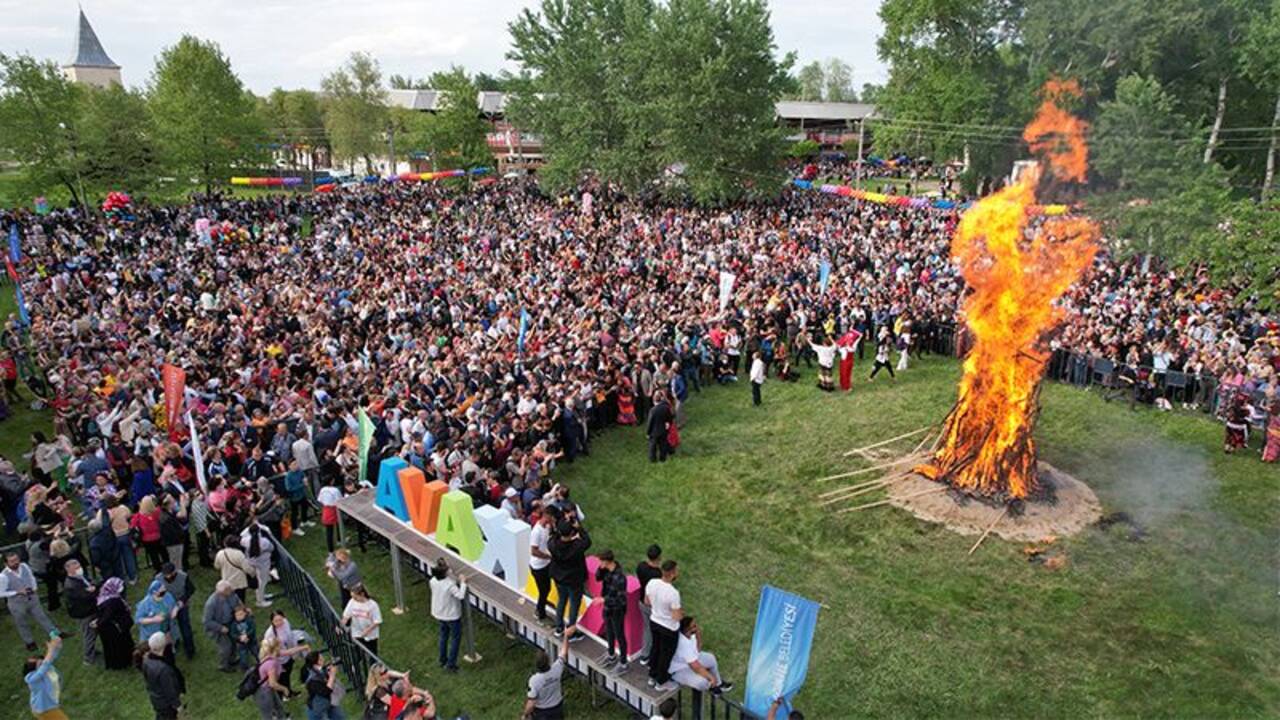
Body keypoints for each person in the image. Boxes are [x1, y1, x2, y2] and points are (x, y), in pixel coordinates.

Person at [2, 551, 62, 651]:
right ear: (6, 563)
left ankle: (55, 634)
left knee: (42, 616)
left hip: (32, 598)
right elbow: (1, 593)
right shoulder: (3, 576)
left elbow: (31, 577)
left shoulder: (24, 566)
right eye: (12, 561)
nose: (16, 562)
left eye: (17, 559)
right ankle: (30, 642)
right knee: (22, 623)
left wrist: (34, 588)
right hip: (17, 603)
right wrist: (17, 592)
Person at [549, 517, 591, 639]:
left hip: (559, 578)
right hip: (574, 580)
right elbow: (587, 541)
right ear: (572, 532)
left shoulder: (552, 544)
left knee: (561, 601)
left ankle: (559, 627)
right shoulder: (576, 546)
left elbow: (554, 537)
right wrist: (580, 528)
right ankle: (571, 631)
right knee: (574, 604)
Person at [668, 616, 733, 694]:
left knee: (710, 658)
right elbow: (696, 667)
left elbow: (697, 650)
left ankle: (718, 684)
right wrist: (710, 677)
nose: (697, 626)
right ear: (687, 630)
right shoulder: (683, 644)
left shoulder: (691, 634)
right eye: (694, 626)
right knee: (702, 682)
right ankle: (711, 687)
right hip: (679, 670)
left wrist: (698, 634)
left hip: (690, 661)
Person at [523, 625, 574, 720]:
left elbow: (531, 703)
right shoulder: (556, 669)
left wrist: (525, 715)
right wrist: (566, 636)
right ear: (548, 661)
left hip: (542, 713)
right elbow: (563, 653)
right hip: (557, 708)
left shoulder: (534, 680)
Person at [646, 560, 683, 691]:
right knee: (665, 654)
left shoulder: (652, 583)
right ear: (672, 573)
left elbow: (647, 601)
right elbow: (676, 616)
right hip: (668, 628)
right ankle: (661, 682)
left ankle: (652, 675)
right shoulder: (673, 593)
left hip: (654, 621)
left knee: (655, 648)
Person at [428, 558, 467, 673]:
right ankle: (451, 664)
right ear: (445, 573)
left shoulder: (433, 581)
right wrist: (463, 582)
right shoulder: (449, 585)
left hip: (439, 613)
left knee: (443, 636)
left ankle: (442, 659)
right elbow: (460, 595)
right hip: (451, 615)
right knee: (455, 639)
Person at [594, 549, 629, 670]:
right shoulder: (606, 570)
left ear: (607, 561)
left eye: (600, 562)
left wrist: (604, 600)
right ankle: (611, 654)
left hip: (617, 610)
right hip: (608, 608)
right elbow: (597, 578)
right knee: (609, 631)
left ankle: (623, 662)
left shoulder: (620, 578)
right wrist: (601, 568)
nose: (599, 564)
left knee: (619, 635)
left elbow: (621, 600)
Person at [62, 558, 99, 665]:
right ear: (68, 569)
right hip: (84, 613)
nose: (79, 568)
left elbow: (93, 583)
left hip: (90, 608)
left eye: (79, 565)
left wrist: (93, 588)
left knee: (92, 633)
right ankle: (88, 658)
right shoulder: (70, 585)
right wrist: (93, 591)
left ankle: (92, 652)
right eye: (76, 566)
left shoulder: (80, 577)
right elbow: (84, 596)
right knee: (89, 635)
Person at [141, 632, 185, 720]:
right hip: (166, 704)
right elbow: (169, 690)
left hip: (156, 698)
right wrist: (178, 705)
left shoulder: (146, 661)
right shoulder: (163, 669)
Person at [94, 577, 134, 669]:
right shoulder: (113, 600)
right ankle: (124, 663)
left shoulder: (103, 597)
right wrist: (98, 622)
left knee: (111, 648)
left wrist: (98, 622)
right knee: (120, 646)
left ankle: (115, 664)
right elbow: (108, 615)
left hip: (108, 629)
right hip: (115, 628)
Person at [24, 636, 66, 720]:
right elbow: (46, 664)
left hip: (48, 706)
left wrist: (57, 646)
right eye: (39, 663)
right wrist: (50, 650)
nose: (42, 663)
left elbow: (50, 659)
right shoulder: (32, 679)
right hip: (45, 709)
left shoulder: (45, 668)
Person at [202, 580, 240, 672]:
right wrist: (220, 628)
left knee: (234, 642)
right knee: (226, 646)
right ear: (222, 592)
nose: (231, 590)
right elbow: (207, 621)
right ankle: (223, 665)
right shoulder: (211, 603)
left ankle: (232, 659)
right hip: (218, 627)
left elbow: (237, 603)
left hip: (230, 622)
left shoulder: (231, 595)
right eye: (229, 589)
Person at [635, 544, 662, 666]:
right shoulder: (657, 574)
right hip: (653, 605)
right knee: (657, 631)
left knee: (647, 629)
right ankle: (653, 656)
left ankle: (645, 654)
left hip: (642, 601)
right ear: (659, 557)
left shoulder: (641, 567)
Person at [255, 636, 293, 720]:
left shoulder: (268, 657)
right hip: (264, 692)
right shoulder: (271, 664)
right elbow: (272, 684)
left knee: (278, 705)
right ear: (275, 648)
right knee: (268, 715)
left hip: (267, 689)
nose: (281, 647)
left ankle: (282, 717)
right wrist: (284, 689)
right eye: (279, 645)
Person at [241, 519, 276, 608]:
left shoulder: (245, 540)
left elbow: (242, 534)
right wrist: (259, 525)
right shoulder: (264, 541)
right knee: (262, 581)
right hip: (263, 563)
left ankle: (261, 595)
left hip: (251, 562)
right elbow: (271, 548)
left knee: (260, 581)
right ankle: (260, 601)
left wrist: (252, 526)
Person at [302, 650, 345, 720]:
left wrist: (328, 673)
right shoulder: (312, 681)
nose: (324, 660)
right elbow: (326, 691)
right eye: (321, 659)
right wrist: (332, 675)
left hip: (329, 703)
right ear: (315, 664)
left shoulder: (318, 669)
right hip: (317, 709)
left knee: (340, 717)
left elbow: (325, 681)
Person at [341, 583, 382, 656]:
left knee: (372, 654)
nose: (354, 599)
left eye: (356, 597)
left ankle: (373, 666)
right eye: (352, 597)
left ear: (362, 594)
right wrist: (341, 625)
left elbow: (377, 621)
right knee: (357, 653)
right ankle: (356, 665)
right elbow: (346, 616)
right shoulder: (352, 602)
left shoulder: (373, 605)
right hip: (357, 633)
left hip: (370, 635)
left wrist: (367, 630)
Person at [134, 577, 178, 643]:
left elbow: (174, 604)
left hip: (167, 630)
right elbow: (138, 619)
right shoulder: (145, 603)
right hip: (151, 634)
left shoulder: (168, 596)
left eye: (164, 588)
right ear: (155, 592)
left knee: (167, 648)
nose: (165, 590)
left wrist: (175, 609)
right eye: (162, 590)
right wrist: (154, 619)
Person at [529, 512, 554, 625]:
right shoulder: (536, 531)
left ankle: (543, 602)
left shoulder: (547, 527)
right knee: (544, 590)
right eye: (552, 517)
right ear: (546, 516)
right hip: (538, 566)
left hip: (545, 564)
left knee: (547, 588)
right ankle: (540, 613)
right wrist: (548, 556)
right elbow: (534, 551)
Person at [214, 534, 251, 603]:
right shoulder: (239, 554)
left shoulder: (220, 553)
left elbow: (217, 566)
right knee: (240, 602)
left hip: (226, 582)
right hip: (239, 583)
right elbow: (247, 568)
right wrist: (253, 573)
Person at [646, 392, 674, 463]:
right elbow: (670, 418)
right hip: (663, 430)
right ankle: (662, 459)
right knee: (663, 445)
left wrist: (648, 432)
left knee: (652, 447)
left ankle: (652, 460)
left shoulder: (652, 410)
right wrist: (668, 424)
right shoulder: (666, 408)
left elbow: (650, 423)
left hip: (654, 432)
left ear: (654, 401)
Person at [231, 604, 258, 670]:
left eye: (241, 614)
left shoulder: (249, 620)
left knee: (257, 653)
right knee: (243, 657)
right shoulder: (234, 624)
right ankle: (245, 668)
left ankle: (262, 663)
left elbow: (253, 629)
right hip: (241, 644)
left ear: (245, 614)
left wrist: (247, 635)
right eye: (237, 615)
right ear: (234, 616)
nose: (239, 616)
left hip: (252, 641)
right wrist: (239, 637)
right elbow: (233, 634)